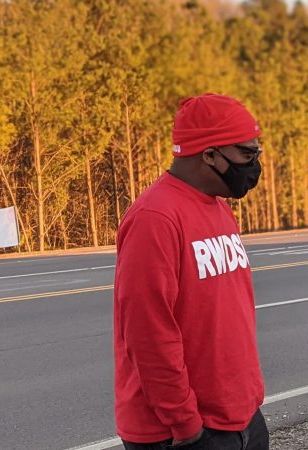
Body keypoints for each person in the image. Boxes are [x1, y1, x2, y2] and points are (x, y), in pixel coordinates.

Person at [114, 93, 268, 450]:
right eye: (247, 154)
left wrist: (249, 401)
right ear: (209, 154)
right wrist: (186, 426)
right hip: (179, 434)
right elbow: (148, 333)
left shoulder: (219, 209)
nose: (255, 165)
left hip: (240, 420)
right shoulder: (155, 217)